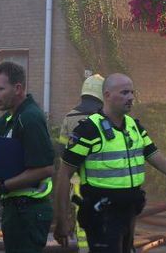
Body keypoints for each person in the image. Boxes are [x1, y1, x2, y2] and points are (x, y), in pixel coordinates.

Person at [52, 73, 166, 252]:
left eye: (132, 93)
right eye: (125, 93)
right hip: (101, 216)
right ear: (107, 95)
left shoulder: (134, 127)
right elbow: (64, 175)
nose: (131, 97)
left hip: (128, 213)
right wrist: (62, 221)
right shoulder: (88, 130)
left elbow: (158, 159)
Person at [0, 62, 55, 252]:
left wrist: (2, 187)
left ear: (18, 89)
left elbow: (46, 168)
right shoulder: (14, 115)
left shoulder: (29, 118)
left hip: (28, 213)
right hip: (18, 211)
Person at [56, 74, 105, 253]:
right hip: (101, 181)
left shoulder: (69, 117)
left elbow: (62, 151)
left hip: (77, 182)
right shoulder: (104, 118)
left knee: (82, 220)